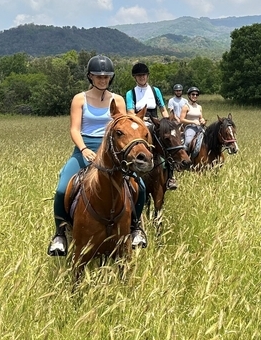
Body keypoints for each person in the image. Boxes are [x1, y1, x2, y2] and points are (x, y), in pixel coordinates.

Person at [48, 55, 150, 254]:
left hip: (114, 151)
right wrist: (84, 149)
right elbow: (74, 129)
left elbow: (125, 127)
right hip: (85, 148)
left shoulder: (118, 99)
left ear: (110, 78)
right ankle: (60, 235)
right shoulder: (80, 99)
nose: (102, 80)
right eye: (98, 76)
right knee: (62, 188)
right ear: (90, 77)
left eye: (106, 77)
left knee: (141, 187)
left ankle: (136, 227)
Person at [125, 62, 175, 193]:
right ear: (135, 77)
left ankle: (170, 177)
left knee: (169, 142)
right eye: (139, 76)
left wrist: (167, 122)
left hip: (156, 121)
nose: (142, 78)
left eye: (144, 75)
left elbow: (162, 109)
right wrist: (142, 119)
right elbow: (130, 113)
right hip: (139, 122)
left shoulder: (155, 90)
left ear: (147, 76)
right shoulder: (131, 93)